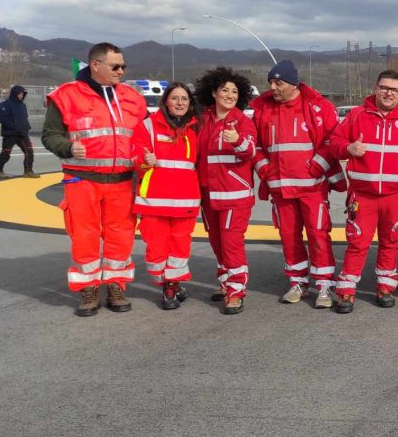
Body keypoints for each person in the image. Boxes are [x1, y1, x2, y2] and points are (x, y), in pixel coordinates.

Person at [42, 43, 146, 316]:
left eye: (123, 66)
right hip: (81, 179)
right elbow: (50, 134)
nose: (121, 71)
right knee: (84, 236)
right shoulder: (66, 95)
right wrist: (67, 148)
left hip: (123, 181)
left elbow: (145, 137)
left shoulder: (134, 99)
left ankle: (115, 285)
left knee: (121, 236)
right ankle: (87, 290)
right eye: (116, 66)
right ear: (96, 65)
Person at [328, 69, 398, 313]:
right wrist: (348, 148)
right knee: (357, 243)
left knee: (391, 242)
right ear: (375, 88)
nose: (388, 93)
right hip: (363, 195)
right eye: (384, 88)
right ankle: (346, 291)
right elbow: (333, 144)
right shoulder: (355, 116)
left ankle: (385, 287)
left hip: (396, 197)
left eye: (394, 90)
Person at [251, 60, 347, 308]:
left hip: (312, 188)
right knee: (288, 236)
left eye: (278, 82)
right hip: (281, 188)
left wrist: (317, 167)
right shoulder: (263, 110)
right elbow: (257, 147)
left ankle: (324, 284)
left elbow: (332, 140)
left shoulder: (318, 107)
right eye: (271, 82)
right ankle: (297, 282)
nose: (273, 87)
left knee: (318, 234)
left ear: (293, 84)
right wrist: (266, 172)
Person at [132, 83, 201, 310]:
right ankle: (166, 282)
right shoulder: (148, 127)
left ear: (190, 104)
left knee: (181, 245)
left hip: (185, 202)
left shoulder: (194, 131)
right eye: (175, 98)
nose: (180, 103)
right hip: (154, 202)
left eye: (184, 99)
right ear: (166, 101)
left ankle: (172, 283)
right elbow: (134, 154)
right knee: (157, 246)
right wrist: (143, 160)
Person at [195, 67, 256, 315]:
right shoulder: (201, 119)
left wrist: (237, 141)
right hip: (208, 194)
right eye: (225, 90)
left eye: (234, 91)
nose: (230, 95)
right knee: (217, 242)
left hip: (235, 196)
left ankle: (236, 291)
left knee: (231, 243)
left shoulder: (243, 122)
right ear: (213, 92)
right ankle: (225, 281)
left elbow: (250, 151)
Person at [0, 85, 38, 178]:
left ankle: (28, 171)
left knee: (29, 152)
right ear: (15, 93)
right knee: (6, 153)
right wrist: (14, 126)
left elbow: (24, 118)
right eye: (20, 93)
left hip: (23, 133)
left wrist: (26, 127)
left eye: (23, 94)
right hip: (10, 134)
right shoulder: (5, 104)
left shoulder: (23, 105)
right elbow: (1, 118)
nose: (22, 95)